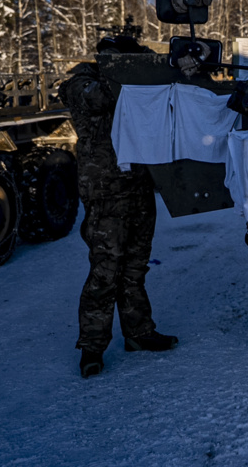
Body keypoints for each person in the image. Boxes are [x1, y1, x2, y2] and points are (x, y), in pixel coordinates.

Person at [59, 35, 177, 378]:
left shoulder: (129, 81)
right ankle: (92, 348)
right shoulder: (82, 83)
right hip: (106, 192)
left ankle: (139, 334)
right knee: (105, 272)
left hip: (138, 186)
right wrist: (133, 66)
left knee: (135, 268)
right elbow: (103, 96)